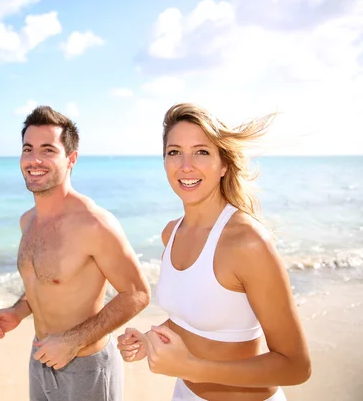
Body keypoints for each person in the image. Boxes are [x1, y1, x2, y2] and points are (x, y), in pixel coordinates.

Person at [117, 103, 311, 400]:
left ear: (223, 165)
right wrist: (150, 339)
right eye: (174, 152)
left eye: (201, 151)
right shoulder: (171, 233)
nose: (185, 165)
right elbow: (195, 315)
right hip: (183, 393)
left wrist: (194, 367)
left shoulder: (247, 242)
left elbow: (296, 367)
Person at [0, 105, 151, 401]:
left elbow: (137, 293)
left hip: (87, 369)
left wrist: (72, 341)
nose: (34, 160)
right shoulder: (28, 221)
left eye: (48, 150)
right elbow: (46, 283)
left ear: (71, 159)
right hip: (40, 359)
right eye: (28, 149)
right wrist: (17, 311)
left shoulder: (94, 223)